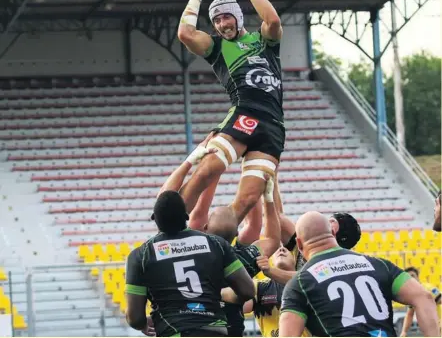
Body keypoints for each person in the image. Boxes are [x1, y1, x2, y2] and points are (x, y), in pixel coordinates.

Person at [177, 0, 285, 226]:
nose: (222, 24)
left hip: (273, 125)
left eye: (226, 17)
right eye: (216, 21)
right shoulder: (216, 48)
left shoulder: (263, 41)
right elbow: (186, 34)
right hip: (245, 113)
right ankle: (172, 227)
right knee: (208, 169)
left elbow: (272, 20)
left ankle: (218, 242)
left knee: (249, 198)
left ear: (237, 17)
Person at [157, 140, 281, 337]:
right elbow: (273, 239)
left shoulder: (183, 250)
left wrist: (203, 166)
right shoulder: (242, 261)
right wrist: (267, 197)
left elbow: (165, 204)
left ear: (205, 228)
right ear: (236, 236)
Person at [279, 211, 440, 337]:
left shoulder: (299, 283)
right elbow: (424, 297)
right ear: (332, 234)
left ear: (299, 244)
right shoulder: (379, 264)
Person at [125, 190, 255, 337]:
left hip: (175, 331)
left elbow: (134, 318)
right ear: (186, 217)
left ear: (154, 218)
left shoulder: (140, 256)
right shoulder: (216, 244)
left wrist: (143, 324)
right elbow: (247, 291)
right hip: (216, 330)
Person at [221, 213, 362, 337]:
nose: (281, 249)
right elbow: (235, 299)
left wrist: (270, 271)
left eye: (286, 249)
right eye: (278, 249)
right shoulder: (261, 288)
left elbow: (309, 278)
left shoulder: (313, 281)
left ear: (297, 256)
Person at [399, 267, 441, 337]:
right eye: (408, 277)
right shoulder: (411, 295)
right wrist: (404, 331)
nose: (411, 279)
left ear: (418, 277)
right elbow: (410, 314)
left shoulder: (428, 289)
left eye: (412, 276)